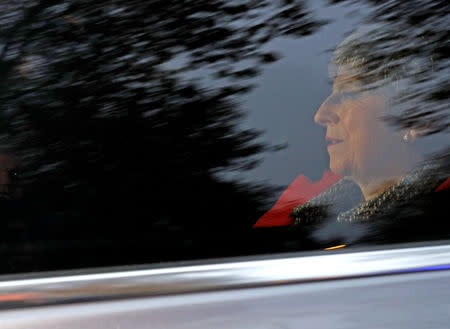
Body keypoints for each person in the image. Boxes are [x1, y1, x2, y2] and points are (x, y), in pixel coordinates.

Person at [254, 30, 449, 243]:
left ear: (414, 119)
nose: (320, 115)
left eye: (348, 94)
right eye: (333, 93)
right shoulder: (303, 216)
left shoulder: (430, 226)